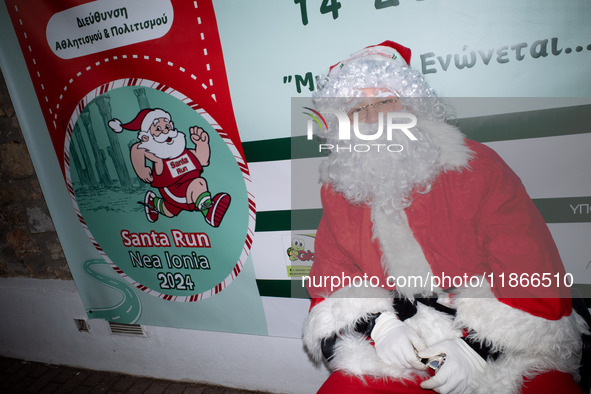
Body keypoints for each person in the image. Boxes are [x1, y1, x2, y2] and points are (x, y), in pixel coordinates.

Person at [302, 41, 588, 393]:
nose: (374, 117)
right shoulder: (339, 186)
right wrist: (379, 325)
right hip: (403, 330)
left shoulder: (476, 166)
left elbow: (530, 268)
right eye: (359, 109)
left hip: (494, 335)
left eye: (385, 101)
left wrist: (476, 349)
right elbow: (332, 275)